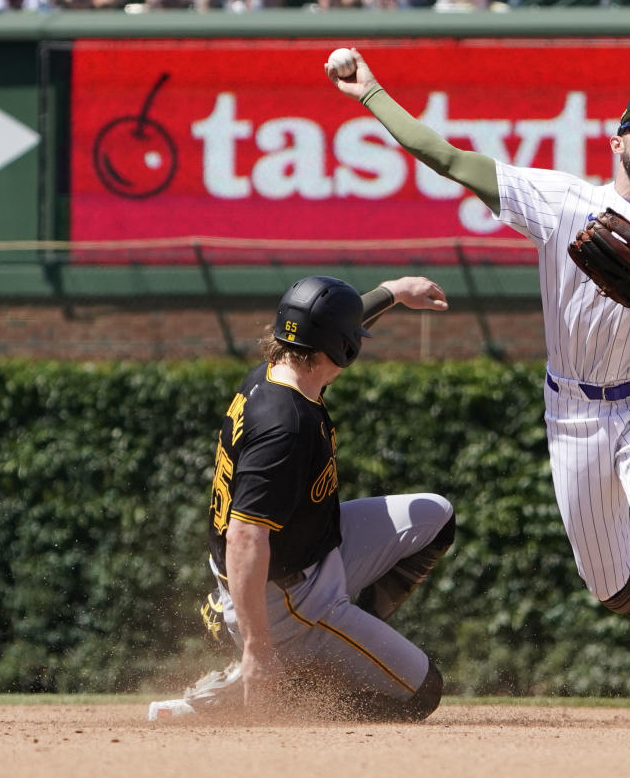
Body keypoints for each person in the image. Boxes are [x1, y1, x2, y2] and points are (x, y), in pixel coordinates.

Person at [325, 49, 630, 728]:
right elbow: (450, 160)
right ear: (618, 140)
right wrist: (370, 92)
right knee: (606, 583)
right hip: (572, 407)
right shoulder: (562, 200)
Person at [149, 275, 456, 722]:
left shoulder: (285, 373)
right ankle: (282, 680)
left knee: (435, 517)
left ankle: (330, 644)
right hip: (287, 596)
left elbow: (324, 325)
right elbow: (245, 537)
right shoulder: (285, 426)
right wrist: (258, 649)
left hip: (313, 552)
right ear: (343, 348)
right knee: (420, 694)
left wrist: (394, 291)